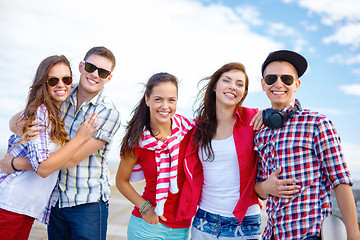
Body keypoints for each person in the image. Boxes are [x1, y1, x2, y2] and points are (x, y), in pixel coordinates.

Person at [4, 46, 121, 240]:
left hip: (87, 202)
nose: (94, 75)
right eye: (91, 67)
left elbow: (71, 159)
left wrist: (15, 164)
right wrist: (23, 127)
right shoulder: (61, 90)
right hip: (56, 200)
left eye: (102, 72)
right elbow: (17, 120)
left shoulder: (107, 113)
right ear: (82, 66)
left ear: (109, 78)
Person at [254, 50, 360, 240]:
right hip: (271, 235)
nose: (279, 84)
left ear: (297, 84)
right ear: (263, 84)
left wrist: (354, 236)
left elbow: (341, 181)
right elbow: (258, 189)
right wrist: (265, 188)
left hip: (309, 235)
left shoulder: (317, 123)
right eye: (271, 78)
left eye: (286, 79)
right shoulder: (260, 132)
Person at [116, 72, 202, 239]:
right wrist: (145, 208)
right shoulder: (137, 140)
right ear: (147, 100)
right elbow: (121, 181)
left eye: (171, 100)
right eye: (158, 99)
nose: (165, 106)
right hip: (147, 227)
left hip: (182, 229)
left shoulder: (190, 132)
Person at [188, 62, 262, 239]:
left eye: (239, 84)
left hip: (244, 223)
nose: (232, 87)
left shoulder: (254, 119)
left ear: (244, 92)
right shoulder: (198, 127)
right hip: (204, 220)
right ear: (215, 86)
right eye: (227, 80)